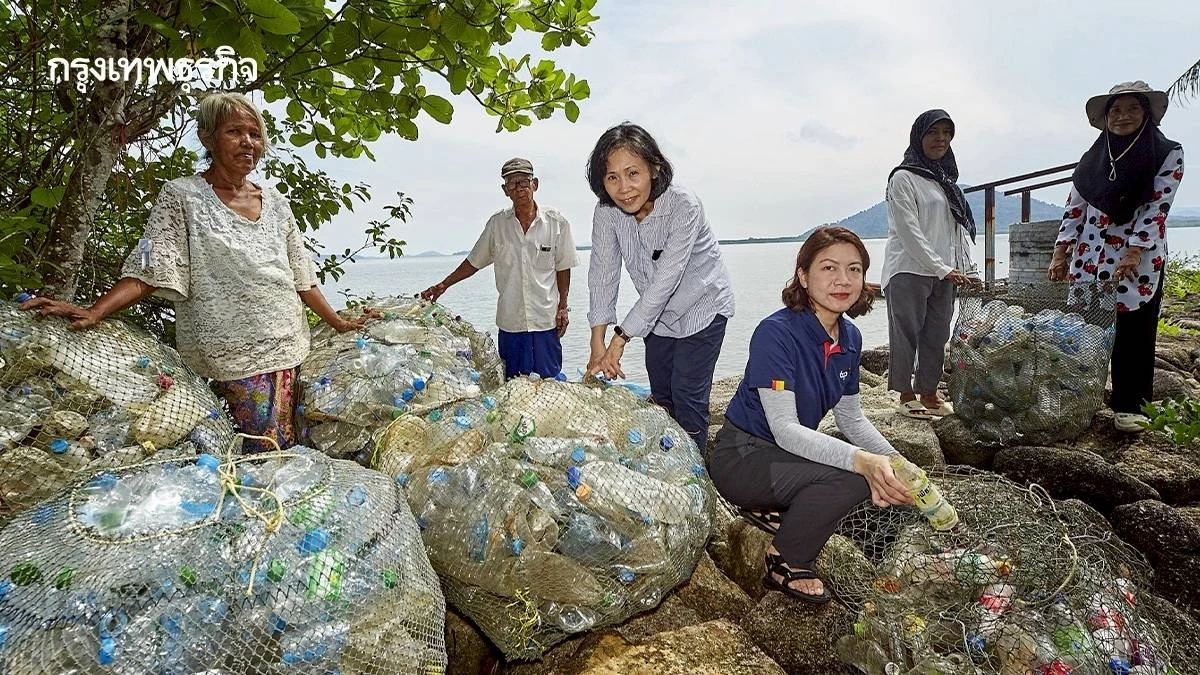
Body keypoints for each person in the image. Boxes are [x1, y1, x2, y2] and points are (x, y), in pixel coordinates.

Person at [22, 92, 359, 453]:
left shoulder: (274, 200)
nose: (248, 142)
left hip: (289, 345)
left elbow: (301, 275)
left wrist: (337, 323)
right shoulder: (183, 196)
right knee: (252, 454)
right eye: (234, 132)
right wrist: (96, 311)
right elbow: (152, 268)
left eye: (255, 134)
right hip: (230, 358)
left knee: (287, 448)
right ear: (207, 138)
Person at [710, 227, 912, 603]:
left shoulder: (850, 339)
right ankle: (784, 558)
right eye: (829, 268)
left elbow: (851, 420)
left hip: (787, 456)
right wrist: (863, 462)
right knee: (852, 479)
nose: (843, 280)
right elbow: (785, 429)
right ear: (803, 275)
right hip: (744, 457)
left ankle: (773, 507)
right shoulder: (776, 333)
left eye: (854, 270)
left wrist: (899, 464)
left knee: (870, 467)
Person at [584, 123, 735, 451]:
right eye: (612, 177)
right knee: (663, 396)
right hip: (657, 319)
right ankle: (669, 464)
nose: (624, 188)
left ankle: (694, 480)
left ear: (654, 168)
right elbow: (603, 272)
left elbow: (666, 280)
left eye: (633, 173)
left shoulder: (684, 205)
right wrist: (597, 341)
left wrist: (620, 338)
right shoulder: (607, 212)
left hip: (702, 308)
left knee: (688, 398)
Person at [1049, 81, 1184, 433]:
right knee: (1085, 330)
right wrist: (1060, 252)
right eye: (1115, 110)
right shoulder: (1092, 159)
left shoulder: (1166, 153)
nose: (1122, 116)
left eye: (1132, 109)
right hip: (1090, 255)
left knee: (1135, 331)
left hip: (1136, 259)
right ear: (1106, 117)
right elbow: (1074, 208)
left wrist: (1135, 250)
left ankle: (1131, 406)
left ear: (1147, 114)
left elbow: (1158, 207)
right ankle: (1080, 399)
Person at [421, 158, 577, 380]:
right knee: (513, 385)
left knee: (550, 382)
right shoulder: (497, 225)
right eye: (512, 184)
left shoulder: (556, 223)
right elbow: (473, 262)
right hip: (511, 324)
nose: (519, 189)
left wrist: (563, 307)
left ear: (535, 184)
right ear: (505, 190)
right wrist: (443, 285)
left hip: (545, 322)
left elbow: (563, 267)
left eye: (524, 182)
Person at [881, 109, 980, 420]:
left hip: (945, 272)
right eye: (933, 133)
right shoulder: (903, 178)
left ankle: (930, 393)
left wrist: (966, 270)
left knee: (937, 335)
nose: (941, 139)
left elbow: (956, 232)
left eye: (947, 133)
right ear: (918, 136)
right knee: (906, 333)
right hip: (909, 269)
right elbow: (908, 231)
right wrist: (942, 268)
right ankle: (906, 394)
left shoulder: (945, 181)